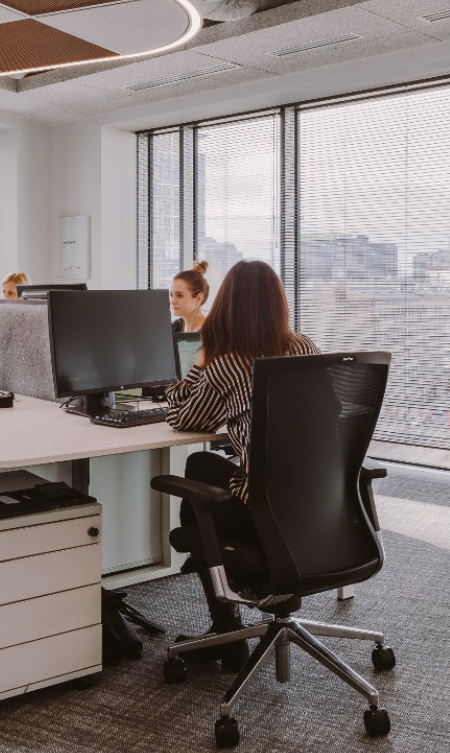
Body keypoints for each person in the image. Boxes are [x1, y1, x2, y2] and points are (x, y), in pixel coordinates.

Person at [165, 259, 319, 650]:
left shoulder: (227, 363)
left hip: (265, 516)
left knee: (195, 487)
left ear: (226, 308)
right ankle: (232, 619)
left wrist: (202, 359)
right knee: (202, 464)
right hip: (317, 510)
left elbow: (181, 417)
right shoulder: (305, 347)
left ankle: (226, 630)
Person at [168, 260, 210, 332]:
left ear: (198, 299)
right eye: (171, 295)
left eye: (179, 295)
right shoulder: (176, 326)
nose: (172, 301)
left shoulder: (210, 332)